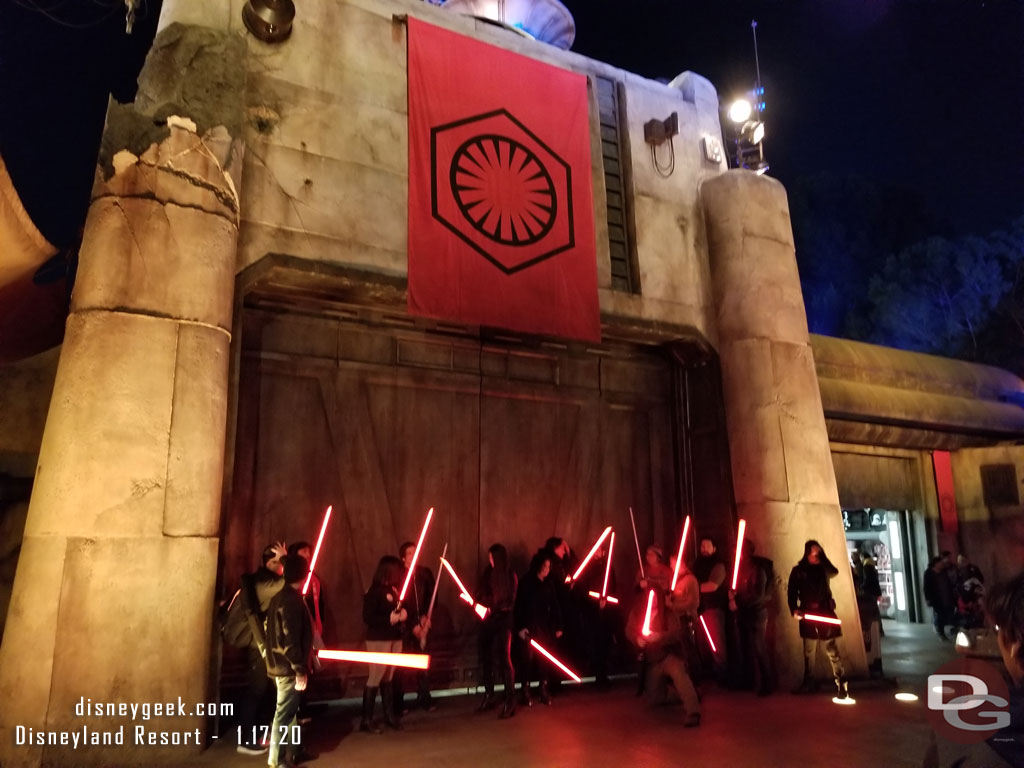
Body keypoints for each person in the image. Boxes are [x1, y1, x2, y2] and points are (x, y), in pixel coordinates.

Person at [232, 542, 286, 756]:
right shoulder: (263, 582)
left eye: (278, 562)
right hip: (259, 647)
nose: (277, 566)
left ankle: (260, 736)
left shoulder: (266, 579)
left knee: (268, 692)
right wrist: (286, 559)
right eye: (273, 562)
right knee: (256, 691)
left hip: (267, 644)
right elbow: (289, 582)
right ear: (266, 564)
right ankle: (245, 740)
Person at [264, 554, 315, 768]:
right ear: (304, 575)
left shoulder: (281, 598)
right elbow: (291, 640)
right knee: (284, 713)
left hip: (281, 665)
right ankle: (277, 759)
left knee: (290, 711)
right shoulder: (291, 601)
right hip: (288, 667)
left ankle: (294, 751)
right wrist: (299, 669)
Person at [626, 586, 702, 727]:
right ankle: (684, 694)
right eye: (650, 597)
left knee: (680, 674)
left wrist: (660, 637)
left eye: (656, 598)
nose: (653, 601)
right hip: (652, 661)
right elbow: (629, 630)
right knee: (655, 698)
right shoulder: (637, 612)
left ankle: (693, 711)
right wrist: (637, 639)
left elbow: (676, 633)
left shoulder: (668, 613)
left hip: (669, 656)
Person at [788, 540, 848, 699]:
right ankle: (809, 683)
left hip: (824, 612)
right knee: (809, 652)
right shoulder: (799, 570)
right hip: (808, 613)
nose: (815, 555)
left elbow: (834, 571)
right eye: (814, 552)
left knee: (831, 649)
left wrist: (823, 558)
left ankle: (841, 683)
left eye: (818, 553)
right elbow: (792, 592)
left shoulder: (823, 567)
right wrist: (794, 609)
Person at [360, 555, 406, 733]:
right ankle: (366, 719)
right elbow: (368, 617)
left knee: (389, 676)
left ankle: (389, 716)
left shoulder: (393, 590)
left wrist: (402, 615)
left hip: (394, 637)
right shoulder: (374, 591)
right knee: (376, 675)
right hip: (378, 638)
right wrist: (389, 618)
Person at [393, 540, 437, 716]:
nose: (414, 555)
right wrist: (412, 626)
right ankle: (398, 702)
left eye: (415, 552)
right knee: (401, 666)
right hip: (405, 628)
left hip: (423, 623)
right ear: (403, 558)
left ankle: (424, 698)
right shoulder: (399, 575)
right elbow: (401, 604)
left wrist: (426, 617)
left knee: (423, 664)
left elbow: (433, 596)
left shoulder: (425, 574)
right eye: (410, 553)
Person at [515, 550, 564, 706]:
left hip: (544, 628)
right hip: (529, 627)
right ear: (537, 565)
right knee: (526, 661)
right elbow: (519, 607)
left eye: (549, 566)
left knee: (544, 661)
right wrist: (520, 627)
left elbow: (556, 605)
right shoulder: (526, 583)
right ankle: (525, 691)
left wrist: (558, 625)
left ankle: (543, 689)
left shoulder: (548, 584)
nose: (546, 569)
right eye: (544, 566)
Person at [477, 543, 518, 718]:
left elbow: (509, 602)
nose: (489, 560)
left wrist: (491, 607)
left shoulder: (509, 575)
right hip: (488, 622)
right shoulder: (488, 572)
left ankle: (510, 700)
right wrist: (480, 603)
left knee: (504, 660)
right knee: (486, 658)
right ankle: (489, 694)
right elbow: (480, 593)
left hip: (503, 622)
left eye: (492, 557)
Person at [729, 540, 774, 695]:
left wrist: (738, 602)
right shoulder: (740, 569)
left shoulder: (757, 570)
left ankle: (767, 684)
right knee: (745, 648)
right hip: (744, 614)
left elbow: (757, 595)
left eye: (737, 551)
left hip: (756, 614)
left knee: (759, 648)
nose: (734, 553)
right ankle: (748, 681)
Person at [578, 541, 619, 689]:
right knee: (595, 643)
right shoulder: (589, 568)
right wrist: (596, 601)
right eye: (596, 550)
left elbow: (612, 587)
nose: (598, 553)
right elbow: (584, 589)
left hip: (606, 612)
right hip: (592, 612)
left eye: (600, 550)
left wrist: (606, 600)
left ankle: (603, 675)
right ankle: (598, 676)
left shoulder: (608, 568)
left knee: (605, 643)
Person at [694, 537, 729, 682]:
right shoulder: (697, 564)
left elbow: (712, 586)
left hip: (713, 608)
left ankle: (723, 675)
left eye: (707, 546)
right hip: (699, 609)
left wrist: (691, 589)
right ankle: (710, 674)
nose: (704, 549)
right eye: (702, 546)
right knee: (702, 644)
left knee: (716, 645)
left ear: (714, 548)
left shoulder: (718, 565)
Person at [924, 553, 956, 640]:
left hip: (946, 596)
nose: (942, 564)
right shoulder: (929, 573)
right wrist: (928, 598)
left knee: (947, 614)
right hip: (937, 598)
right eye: (941, 563)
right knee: (940, 614)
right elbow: (927, 586)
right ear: (936, 564)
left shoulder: (944, 572)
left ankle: (944, 629)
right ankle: (940, 632)